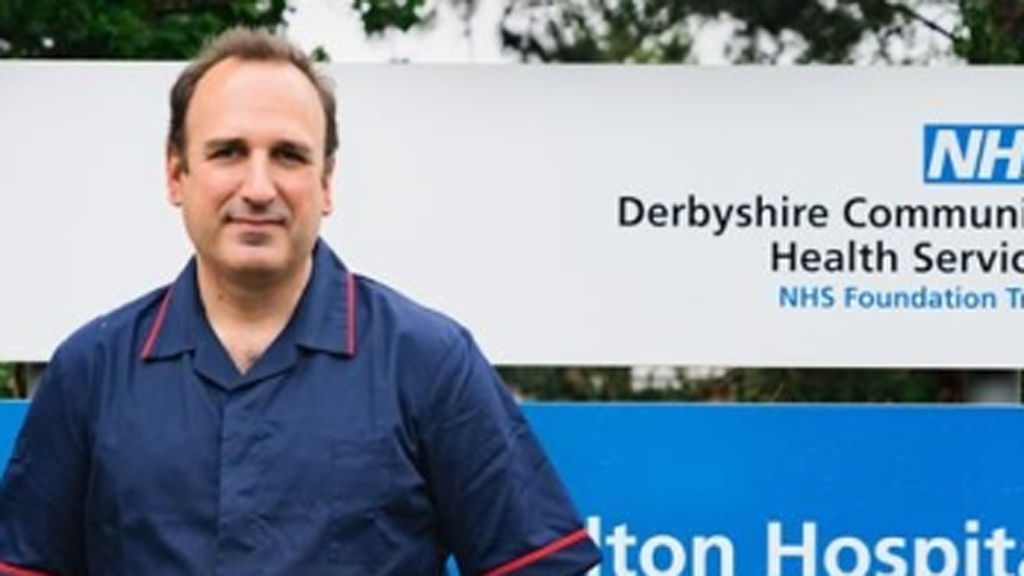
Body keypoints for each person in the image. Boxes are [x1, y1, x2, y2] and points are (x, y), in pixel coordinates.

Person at [0, 27, 601, 576]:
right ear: (176, 174)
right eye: (228, 152)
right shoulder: (91, 371)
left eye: (288, 155)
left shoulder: (428, 363)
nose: (259, 188)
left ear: (326, 182)